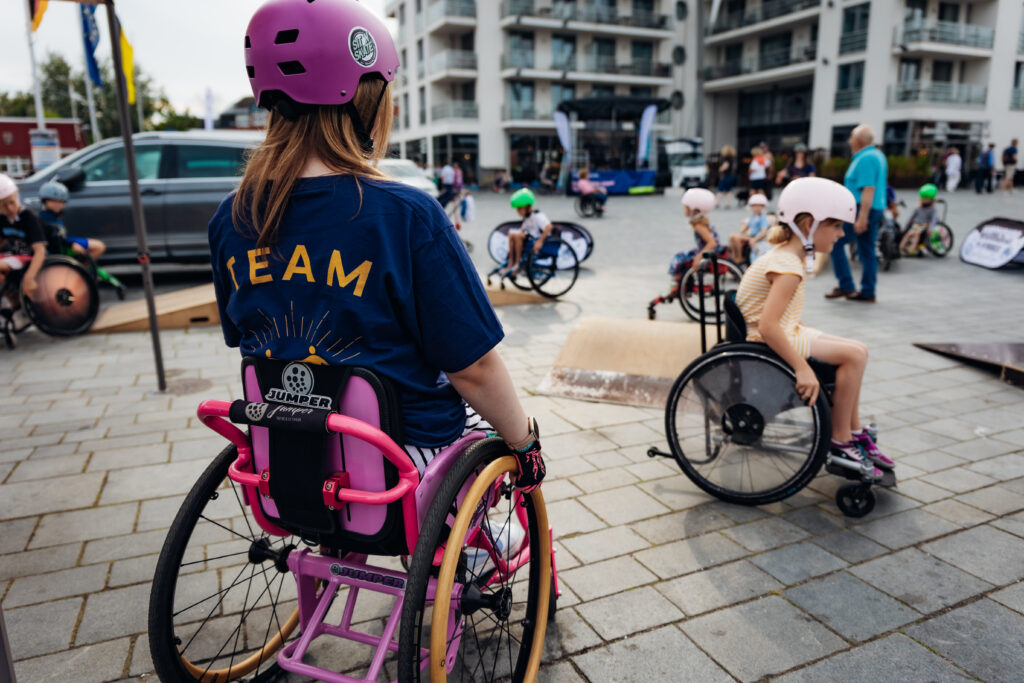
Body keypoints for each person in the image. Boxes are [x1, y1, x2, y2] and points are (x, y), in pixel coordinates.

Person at [209, 0, 545, 490]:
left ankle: (331, 562)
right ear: (365, 96)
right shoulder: (404, 214)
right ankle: (473, 557)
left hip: (291, 457)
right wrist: (524, 444)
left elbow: (247, 337)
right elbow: (472, 368)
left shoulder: (232, 217)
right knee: (489, 451)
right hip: (404, 460)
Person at [735, 177, 893, 478]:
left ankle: (853, 430)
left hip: (784, 333)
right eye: (835, 226)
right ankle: (841, 439)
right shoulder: (788, 266)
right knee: (855, 356)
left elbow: (775, 317)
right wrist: (802, 369)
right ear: (809, 225)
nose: (841, 233)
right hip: (770, 341)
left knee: (858, 349)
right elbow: (768, 327)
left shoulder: (785, 256)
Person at [827, 124, 887, 303]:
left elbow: (868, 189)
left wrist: (862, 218)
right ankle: (868, 291)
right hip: (872, 209)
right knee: (867, 250)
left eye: (851, 137)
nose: (849, 140)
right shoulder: (877, 155)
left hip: (861, 210)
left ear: (859, 140)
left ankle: (846, 284)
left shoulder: (866, 158)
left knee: (835, 241)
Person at [0, 173, 45, 302]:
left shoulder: (29, 217)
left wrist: (29, 278)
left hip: (30, 258)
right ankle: (15, 305)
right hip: (13, 257)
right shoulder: (2, 219)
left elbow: (40, 251)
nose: (9, 208)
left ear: (17, 196)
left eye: (12, 202)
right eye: (2, 206)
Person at [36, 180, 107, 260]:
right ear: (45, 201)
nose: (58, 204)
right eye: (53, 201)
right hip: (62, 244)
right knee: (98, 247)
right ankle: (78, 270)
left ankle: (81, 268)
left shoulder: (55, 214)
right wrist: (72, 244)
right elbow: (54, 239)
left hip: (64, 240)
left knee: (99, 246)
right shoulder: (44, 218)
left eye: (61, 202)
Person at [669, 187, 725, 278]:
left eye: (685, 207)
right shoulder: (701, 221)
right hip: (710, 250)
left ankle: (679, 283)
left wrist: (699, 257)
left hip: (710, 252)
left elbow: (712, 243)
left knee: (678, 257)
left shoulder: (699, 225)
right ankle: (681, 283)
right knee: (683, 255)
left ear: (692, 209)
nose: (684, 209)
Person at [502, 188, 553, 276]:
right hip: (529, 239)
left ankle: (518, 262)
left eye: (519, 208)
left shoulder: (538, 216)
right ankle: (511, 262)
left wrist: (540, 241)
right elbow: (522, 229)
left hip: (537, 240)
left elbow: (549, 227)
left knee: (516, 236)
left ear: (527, 207)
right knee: (512, 234)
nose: (517, 211)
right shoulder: (527, 217)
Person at [728, 193, 772, 266]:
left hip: (756, 237)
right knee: (732, 237)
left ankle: (740, 257)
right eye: (754, 206)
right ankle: (735, 257)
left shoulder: (762, 218)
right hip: (750, 236)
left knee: (735, 237)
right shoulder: (753, 216)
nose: (756, 208)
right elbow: (747, 226)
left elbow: (764, 231)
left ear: (763, 207)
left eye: (759, 206)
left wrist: (755, 239)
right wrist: (742, 231)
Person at [899, 184, 939, 256]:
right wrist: (904, 226)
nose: (924, 200)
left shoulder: (933, 210)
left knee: (917, 233)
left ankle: (912, 249)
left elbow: (933, 220)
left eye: (926, 199)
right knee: (908, 234)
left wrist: (931, 229)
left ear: (932, 200)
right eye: (923, 198)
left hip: (925, 225)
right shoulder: (917, 208)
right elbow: (910, 218)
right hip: (916, 224)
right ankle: (900, 248)